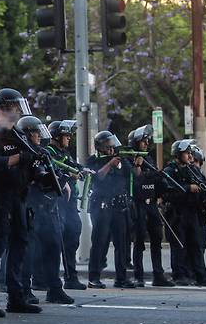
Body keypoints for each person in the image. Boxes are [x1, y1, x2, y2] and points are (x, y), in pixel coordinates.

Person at [0, 88, 42, 317]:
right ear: (3, 108)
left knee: (20, 244)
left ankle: (16, 297)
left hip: (18, 198)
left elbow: (32, 160)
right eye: (14, 107)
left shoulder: (18, 134)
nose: (17, 111)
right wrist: (18, 158)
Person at [21, 118, 74, 304]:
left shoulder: (43, 152)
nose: (39, 136)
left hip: (49, 208)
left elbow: (54, 173)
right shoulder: (24, 155)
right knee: (29, 252)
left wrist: (62, 180)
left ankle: (54, 289)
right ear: (27, 135)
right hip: (32, 209)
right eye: (35, 132)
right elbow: (38, 179)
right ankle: (24, 290)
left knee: (53, 247)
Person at [86, 130, 142, 289]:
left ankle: (121, 277)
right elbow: (97, 177)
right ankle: (94, 277)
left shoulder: (121, 160)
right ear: (100, 147)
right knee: (99, 242)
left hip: (119, 206)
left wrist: (137, 164)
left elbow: (134, 175)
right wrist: (109, 164)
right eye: (108, 146)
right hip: (102, 205)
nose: (111, 149)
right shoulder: (94, 160)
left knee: (122, 243)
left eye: (112, 146)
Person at [162, 140, 206, 287]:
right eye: (187, 153)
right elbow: (168, 188)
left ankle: (201, 276)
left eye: (190, 153)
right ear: (178, 154)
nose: (189, 156)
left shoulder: (192, 170)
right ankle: (179, 275)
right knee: (179, 245)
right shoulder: (170, 170)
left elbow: (204, 185)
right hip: (177, 213)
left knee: (196, 244)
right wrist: (187, 188)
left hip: (193, 212)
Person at [128, 125, 174, 287]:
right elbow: (136, 180)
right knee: (139, 241)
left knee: (157, 240)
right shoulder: (130, 159)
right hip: (138, 205)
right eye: (143, 141)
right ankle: (138, 276)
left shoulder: (149, 159)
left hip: (152, 204)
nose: (147, 143)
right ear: (135, 142)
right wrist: (138, 166)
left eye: (147, 140)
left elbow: (156, 179)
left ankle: (158, 275)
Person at [46, 120, 88, 290]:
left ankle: (71, 276)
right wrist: (69, 174)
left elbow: (73, 165)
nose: (69, 138)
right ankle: (51, 281)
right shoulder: (49, 152)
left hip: (69, 204)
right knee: (57, 241)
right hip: (58, 203)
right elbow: (55, 170)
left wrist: (82, 170)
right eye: (66, 135)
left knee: (72, 238)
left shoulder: (64, 152)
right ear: (56, 136)